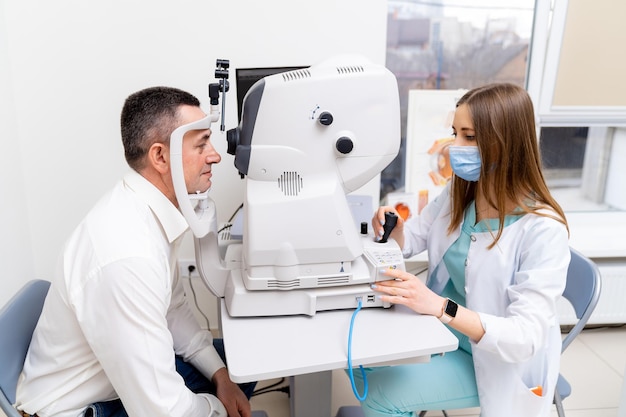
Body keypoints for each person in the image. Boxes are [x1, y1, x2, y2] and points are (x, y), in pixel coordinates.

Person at [16, 87, 255, 417]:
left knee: (243, 365)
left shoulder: (147, 210)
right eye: (201, 145)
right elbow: (164, 412)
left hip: (114, 382)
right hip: (82, 409)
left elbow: (172, 309)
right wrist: (220, 408)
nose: (214, 156)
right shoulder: (128, 254)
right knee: (238, 384)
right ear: (160, 157)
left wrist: (222, 377)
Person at [362, 83, 570, 417]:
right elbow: (414, 239)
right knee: (357, 357)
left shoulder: (543, 229)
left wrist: (440, 306)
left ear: (505, 143)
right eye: (455, 133)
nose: (454, 147)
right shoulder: (462, 190)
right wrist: (397, 231)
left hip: (490, 359)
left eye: (469, 137)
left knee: (379, 396)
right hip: (441, 331)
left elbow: (524, 337)